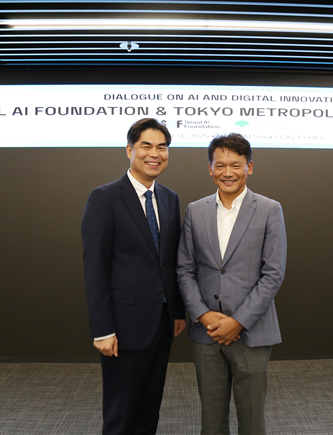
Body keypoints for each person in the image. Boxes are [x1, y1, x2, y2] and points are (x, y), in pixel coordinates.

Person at [177, 133, 287, 435]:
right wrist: (203, 315)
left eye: (236, 165)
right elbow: (184, 269)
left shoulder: (269, 209)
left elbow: (273, 273)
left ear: (249, 167)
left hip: (251, 332)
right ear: (210, 169)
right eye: (220, 165)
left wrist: (238, 321)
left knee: (251, 420)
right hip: (207, 332)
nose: (228, 172)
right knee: (211, 420)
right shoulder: (195, 210)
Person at [82, 118, 186, 435]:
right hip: (123, 327)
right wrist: (102, 329)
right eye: (146, 146)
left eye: (162, 147)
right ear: (129, 150)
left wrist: (177, 312)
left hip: (161, 324)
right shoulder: (105, 197)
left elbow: (170, 260)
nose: (155, 154)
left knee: (148, 410)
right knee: (121, 414)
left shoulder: (169, 198)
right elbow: (95, 267)